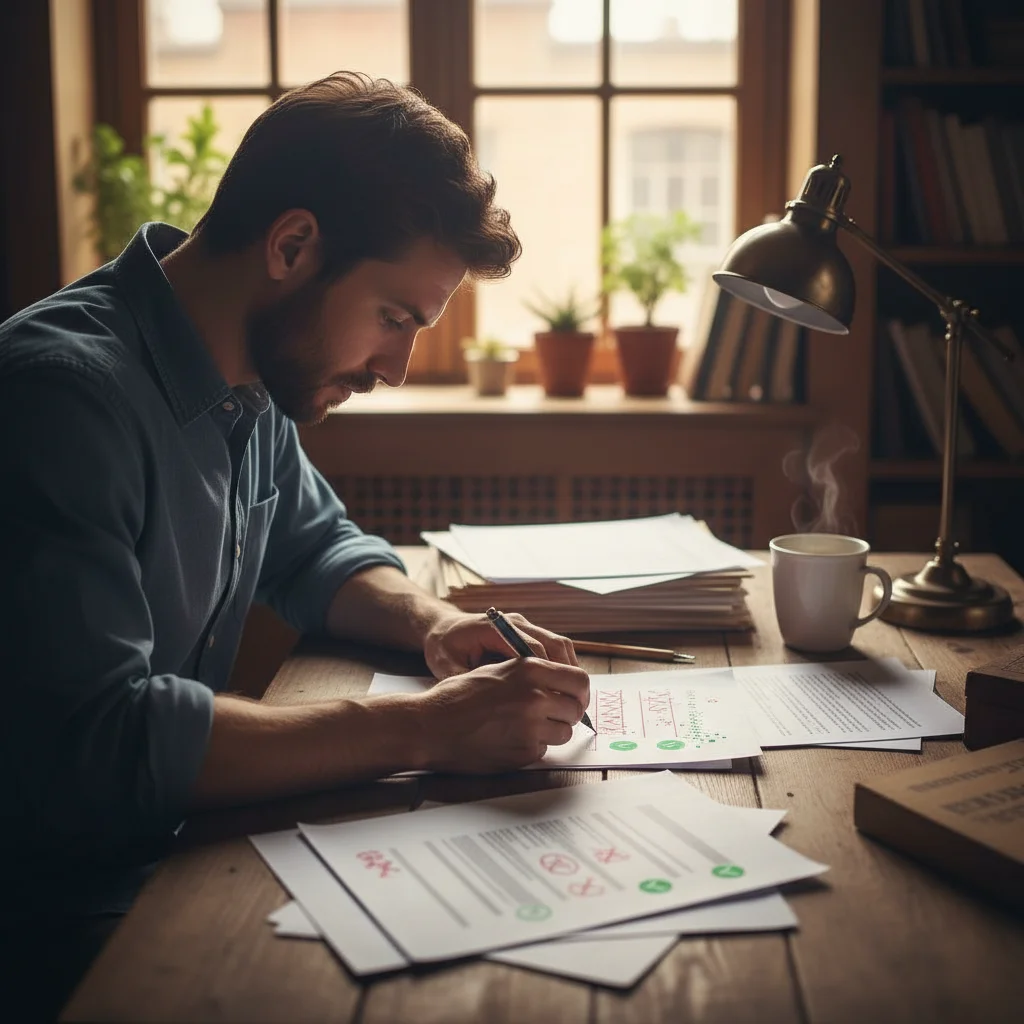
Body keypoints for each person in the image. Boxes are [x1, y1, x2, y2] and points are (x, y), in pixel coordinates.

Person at [0, 71, 589, 1017]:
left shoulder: (252, 373)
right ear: (291, 246)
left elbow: (317, 551)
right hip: (57, 930)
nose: (397, 369)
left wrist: (434, 624)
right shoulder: (61, 399)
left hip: (173, 860)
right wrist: (427, 728)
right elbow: (100, 742)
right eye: (394, 318)